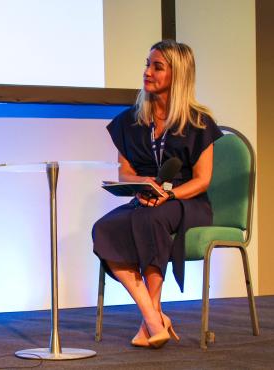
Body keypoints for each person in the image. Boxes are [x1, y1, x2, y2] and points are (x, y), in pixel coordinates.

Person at [92, 40, 223, 349]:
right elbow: (124, 171)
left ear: (177, 75)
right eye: (147, 64)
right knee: (104, 228)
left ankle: (149, 321)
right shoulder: (130, 120)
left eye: (157, 66)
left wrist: (170, 194)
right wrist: (143, 182)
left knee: (151, 218)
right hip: (147, 197)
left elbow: (203, 180)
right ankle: (153, 316)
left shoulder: (198, 121)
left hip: (186, 201)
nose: (147, 72)